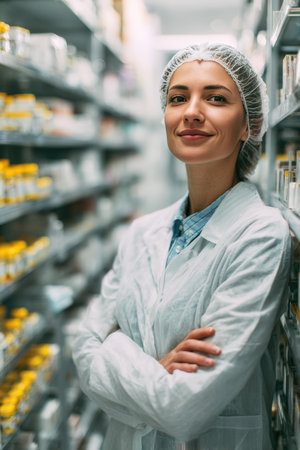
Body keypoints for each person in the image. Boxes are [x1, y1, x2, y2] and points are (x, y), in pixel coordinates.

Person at [72, 43, 291, 450]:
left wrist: (113, 346)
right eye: (177, 98)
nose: (191, 111)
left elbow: (183, 409)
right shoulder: (143, 232)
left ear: (249, 125)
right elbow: (80, 344)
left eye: (216, 98)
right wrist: (154, 370)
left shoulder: (260, 235)